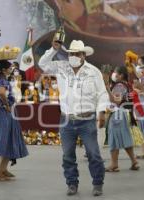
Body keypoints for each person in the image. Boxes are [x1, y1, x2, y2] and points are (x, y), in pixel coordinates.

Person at [38, 39, 109, 196]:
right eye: (71, 54)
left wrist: (102, 111)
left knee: (93, 154)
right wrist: (53, 49)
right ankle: (72, 183)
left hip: (87, 119)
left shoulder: (93, 71)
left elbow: (102, 93)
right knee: (68, 155)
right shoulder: (61, 67)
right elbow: (43, 63)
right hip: (66, 120)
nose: (73, 56)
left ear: (84, 55)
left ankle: (98, 183)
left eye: (77, 54)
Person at [0, 60, 28, 181]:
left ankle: (3, 169)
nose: (12, 69)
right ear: (4, 69)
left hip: (1, 112)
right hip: (5, 112)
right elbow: (1, 92)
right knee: (7, 140)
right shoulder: (2, 80)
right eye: (10, 68)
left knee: (8, 140)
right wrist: (6, 104)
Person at [105, 66, 140, 173]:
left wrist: (107, 89)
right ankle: (134, 161)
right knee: (125, 137)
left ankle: (114, 163)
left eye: (116, 73)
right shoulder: (128, 85)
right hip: (125, 114)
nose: (114, 75)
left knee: (114, 138)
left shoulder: (119, 85)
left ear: (121, 75)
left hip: (118, 114)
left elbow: (116, 101)